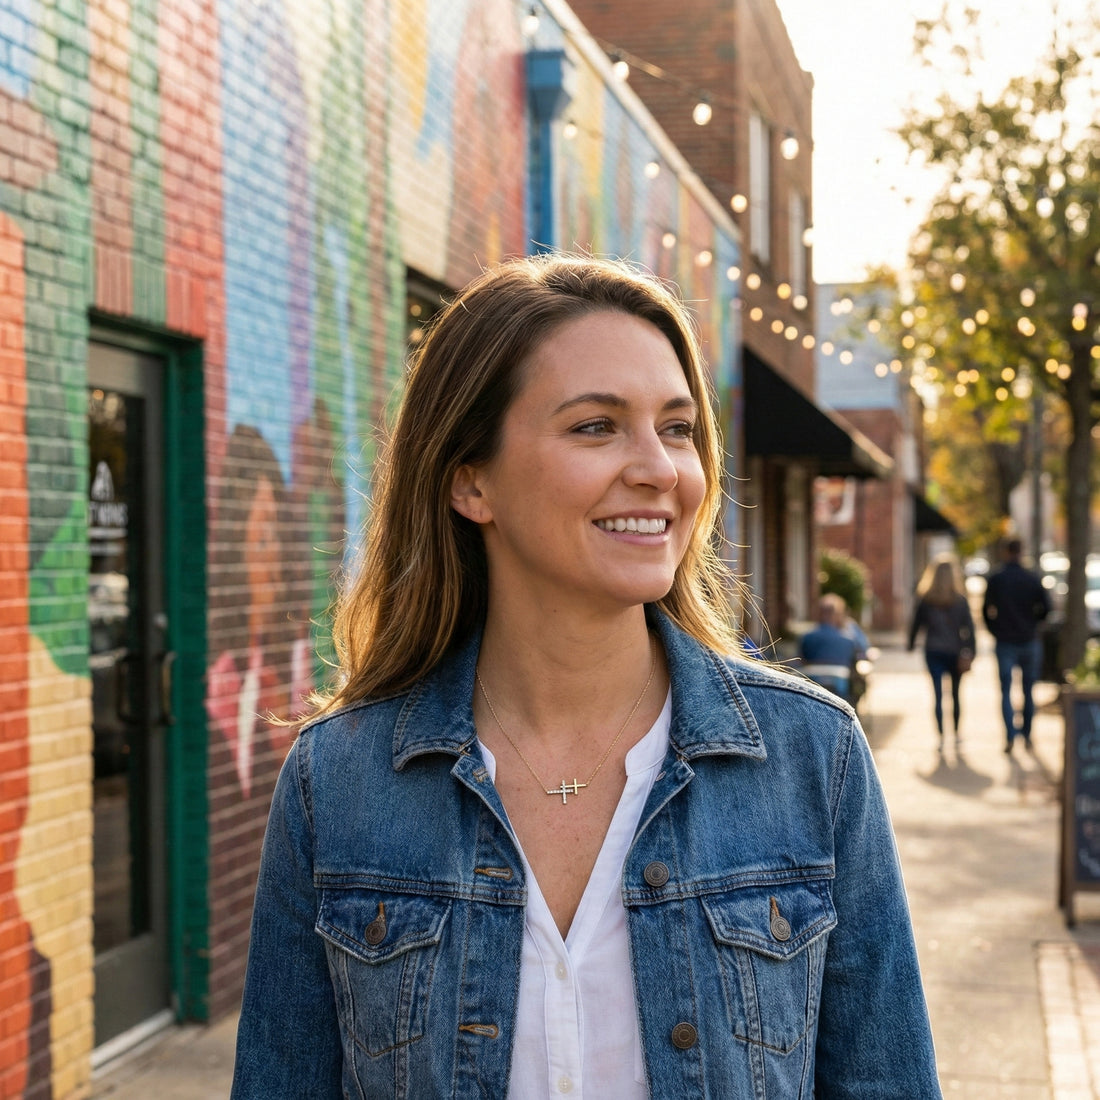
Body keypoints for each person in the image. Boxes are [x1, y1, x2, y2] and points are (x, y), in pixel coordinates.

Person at [230, 254, 941, 1097]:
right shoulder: (340, 780)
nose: (659, 468)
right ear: (470, 481)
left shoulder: (810, 758)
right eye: (596, 427)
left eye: (677, 429)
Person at [983, 537, 1051, 752]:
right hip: (1028, 640)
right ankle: (1027, 734)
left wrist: (995, 630)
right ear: (1022, 552)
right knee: (1028, 691)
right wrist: (1033, 624)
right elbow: (1047, 609)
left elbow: (986, 610)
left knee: (1005, 691)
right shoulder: (1032, 578)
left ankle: (1011, 736)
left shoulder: (996, 578)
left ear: (1005, 551)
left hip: (1005, 641)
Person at [907, 556, 976, 748]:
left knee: (937, 695)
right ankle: (956, 734)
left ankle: (940, 737)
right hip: (955, 652)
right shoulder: (960, 600)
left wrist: (911, 644)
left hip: (933, 651)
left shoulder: (927, 599)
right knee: (955, 694)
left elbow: (916, 624)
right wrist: (971, 652)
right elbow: (969, 629)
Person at [799, 593, 862, 702]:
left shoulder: (807, 637)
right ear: (838, 615)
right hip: (840, 693)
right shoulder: (848, 640)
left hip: (811, 692)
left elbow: (802, 659)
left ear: (819, 614)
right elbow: (855, 663)